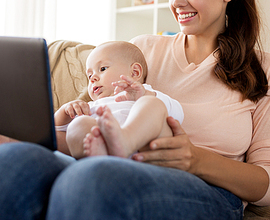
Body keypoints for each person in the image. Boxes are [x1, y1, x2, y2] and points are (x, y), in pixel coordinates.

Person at [0, 0, 270, 220]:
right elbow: (87, 135)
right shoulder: (139, 51)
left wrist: (196, 159)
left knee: (91, 179)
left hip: (208, 191)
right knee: (8, 164)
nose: (177, 2)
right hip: (111, 165)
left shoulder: (264, 70)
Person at [54, 40, 184, 159]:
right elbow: (56, 131)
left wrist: (145, 95)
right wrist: (65, 111)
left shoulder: (144, 93)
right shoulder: (90, 106)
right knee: (78, 124)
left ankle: (126, 141)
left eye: (102, 69)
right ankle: (101, 154)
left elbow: (178, 115)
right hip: (102, 152)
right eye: (89, 75)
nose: (93, 78)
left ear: (134, 73)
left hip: (146, 151)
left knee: (153, 104)